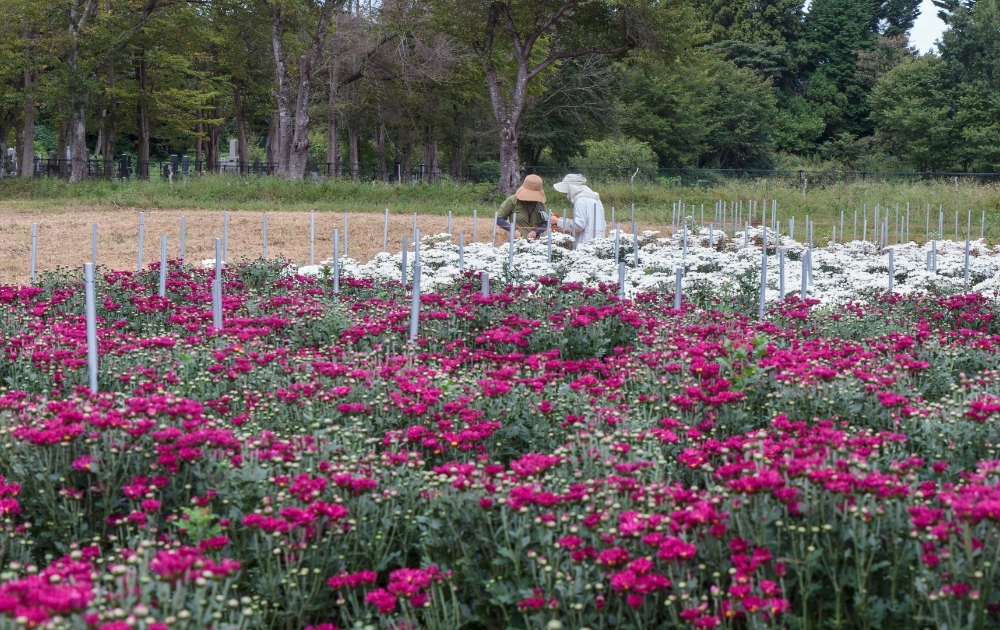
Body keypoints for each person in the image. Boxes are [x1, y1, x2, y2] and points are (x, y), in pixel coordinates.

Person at [549, 174, 606, 243]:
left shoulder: (580, 200)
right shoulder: (595, 199)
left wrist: (558, 221)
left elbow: (579, 225)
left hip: (586, 242)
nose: (566, 194)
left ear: (572, 188)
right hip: (598, 241)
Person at [496, 174, 549, 243]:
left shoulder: (540, 203)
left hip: (536, 244)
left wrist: (535, 232)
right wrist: (513, 230)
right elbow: (499, 219)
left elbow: (546, 223)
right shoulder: (513, 200)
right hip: (516, 243)